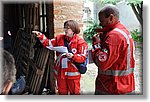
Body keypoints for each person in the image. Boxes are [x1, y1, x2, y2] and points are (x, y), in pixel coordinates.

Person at [32, 20, 88, 95]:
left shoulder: (80, 42)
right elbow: (48, 43)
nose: (65, 30)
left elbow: (82, 57)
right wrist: (40, 35)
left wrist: (73, 56)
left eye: (67, 28)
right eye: (64, 28)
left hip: (73, 75)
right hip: (61, 74)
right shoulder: (59, 38)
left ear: (73, 29)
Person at [91, 5, 135, 94]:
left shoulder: (114, 36)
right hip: (124, 84)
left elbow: (102, 63)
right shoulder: (122, 30)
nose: (100, 24)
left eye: (102, 20)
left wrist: (96, 44)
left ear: (111, 18)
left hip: (113, 87)